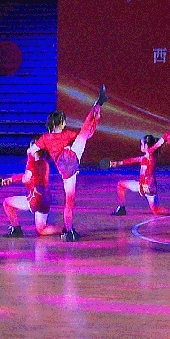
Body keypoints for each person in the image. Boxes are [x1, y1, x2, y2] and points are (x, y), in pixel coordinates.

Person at [33, 85, 107, 241]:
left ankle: (68, 230)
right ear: (60, 122)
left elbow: (32, 151)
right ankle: (97, 105)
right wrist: (96, 116)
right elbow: (87, 133)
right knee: (84, 132)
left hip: (65, 170)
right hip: (71, 160)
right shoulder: (67, 134)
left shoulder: (44, 138)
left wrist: (38, 159)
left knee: (69, 202)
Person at [0, 144, 60, 237]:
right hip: (46, 198)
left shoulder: (32, 163)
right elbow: (30, 177)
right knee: (41, 229)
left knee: (7, 203)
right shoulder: (45, 163)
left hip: (35, 199)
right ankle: (65, 230)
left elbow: (26, 179)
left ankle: (16, 230)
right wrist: (12, 179)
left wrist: (29, 157)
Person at [102, 135, 170, 216]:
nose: (141, 146)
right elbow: (132, 160)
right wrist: (118, 163)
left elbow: (149, 172)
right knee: (155, 210)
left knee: (120, 185)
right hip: (148, 186)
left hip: (147, 185)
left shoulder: (150, 155)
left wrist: (168, 135)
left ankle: (121, 208)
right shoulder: (146, 157)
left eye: (142, 144)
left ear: (146, 145)